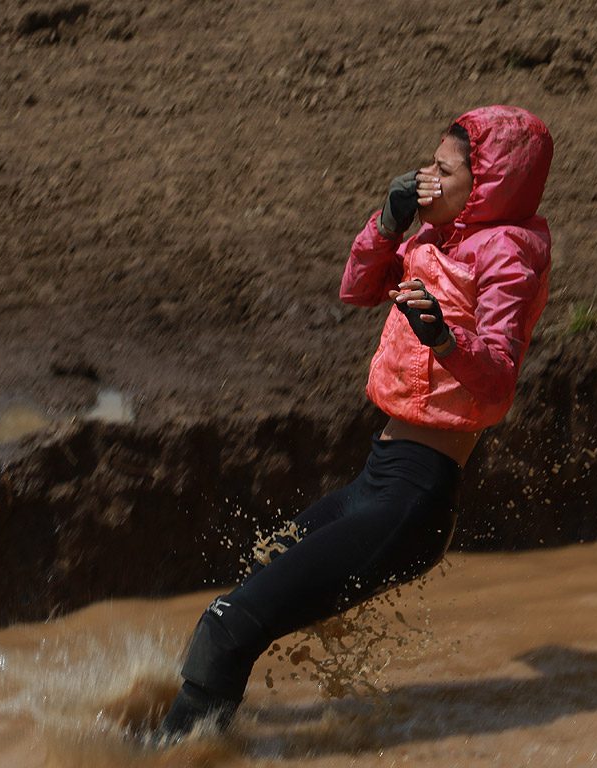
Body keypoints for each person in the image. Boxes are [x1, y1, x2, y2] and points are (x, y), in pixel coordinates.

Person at [155, 104, 554, 741]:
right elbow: (357, 290)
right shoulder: (433, 237)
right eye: (428, 164)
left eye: (443, 170)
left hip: (411, 499)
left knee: (228, 628)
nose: (425, 176)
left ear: (482, 188)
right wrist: (388, 222)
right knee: (248, 588)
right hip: (375, 479)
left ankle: (151, 758)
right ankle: (200, 738)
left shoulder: (506, 254)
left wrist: (446, 341)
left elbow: (500, 377)